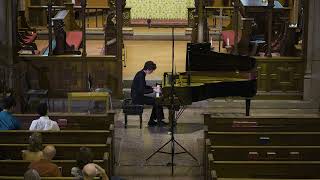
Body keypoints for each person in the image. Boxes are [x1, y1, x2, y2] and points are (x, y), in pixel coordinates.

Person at [131, 61, 167, 126]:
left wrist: (152, 87)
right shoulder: (141, 75)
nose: (152, 72)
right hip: (137, 98)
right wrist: (153, 90)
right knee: (157, 101)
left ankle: (152, 121)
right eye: (152, 70)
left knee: (156, 101)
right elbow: (141, 90)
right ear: (148, 69)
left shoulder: (141, 73)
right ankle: (158, 121)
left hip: (138, 96)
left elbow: (143, 86)